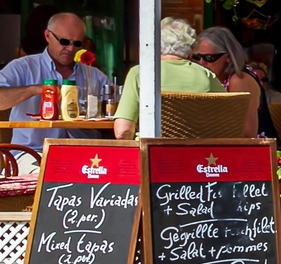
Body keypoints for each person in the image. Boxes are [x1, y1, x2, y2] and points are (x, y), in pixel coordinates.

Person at [0, 12, 112, 161]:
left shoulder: (93, 75)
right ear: (47, 36)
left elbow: (117, 109)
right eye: (64, 41)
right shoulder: (23, 67)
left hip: (85, 155)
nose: (71, 49)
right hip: (33, 153)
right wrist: (33, 90)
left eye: (77, 43)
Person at [113, 18, 224, 139]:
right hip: (198, 154)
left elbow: (123, 131)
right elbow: (228, 121)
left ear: (155, 45)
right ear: (191, 50)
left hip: (150, 153)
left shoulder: (141, 73)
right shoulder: (206, 76)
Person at [193, 26, 274, 141]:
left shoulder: (240, 80)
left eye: (209, 58)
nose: (201, 63)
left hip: (259, 151)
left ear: (229, 57)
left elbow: (247, 134)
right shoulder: (213, 79)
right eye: (197, 57)